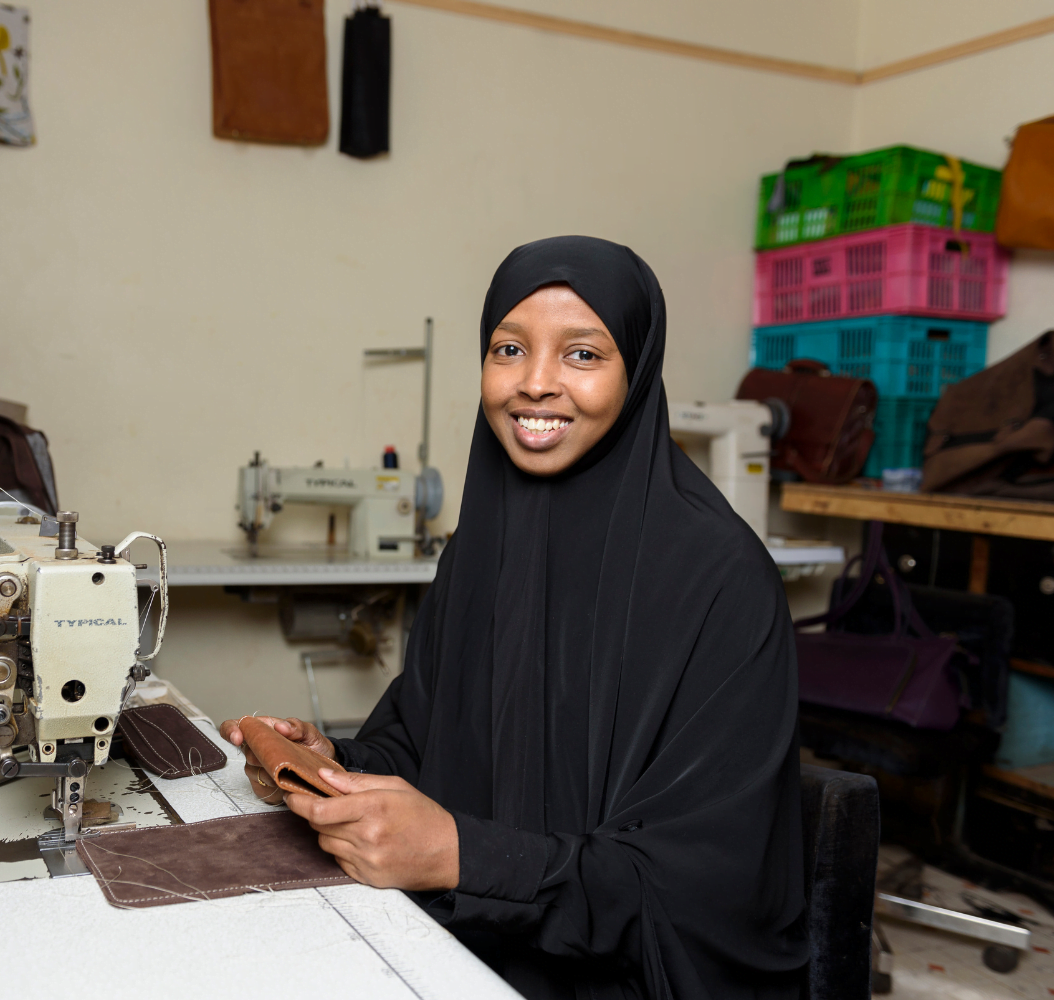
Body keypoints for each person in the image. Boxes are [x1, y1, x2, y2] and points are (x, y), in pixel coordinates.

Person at [221, 236, 807, 999]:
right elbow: (425, 744)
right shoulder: (481, 550)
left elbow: (708, 890)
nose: (534, 384)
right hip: (465, 946)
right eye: (508, 349)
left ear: (638, 370)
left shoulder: (720, 579)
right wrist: (334, 766)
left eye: (583, 355)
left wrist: (465, 856)